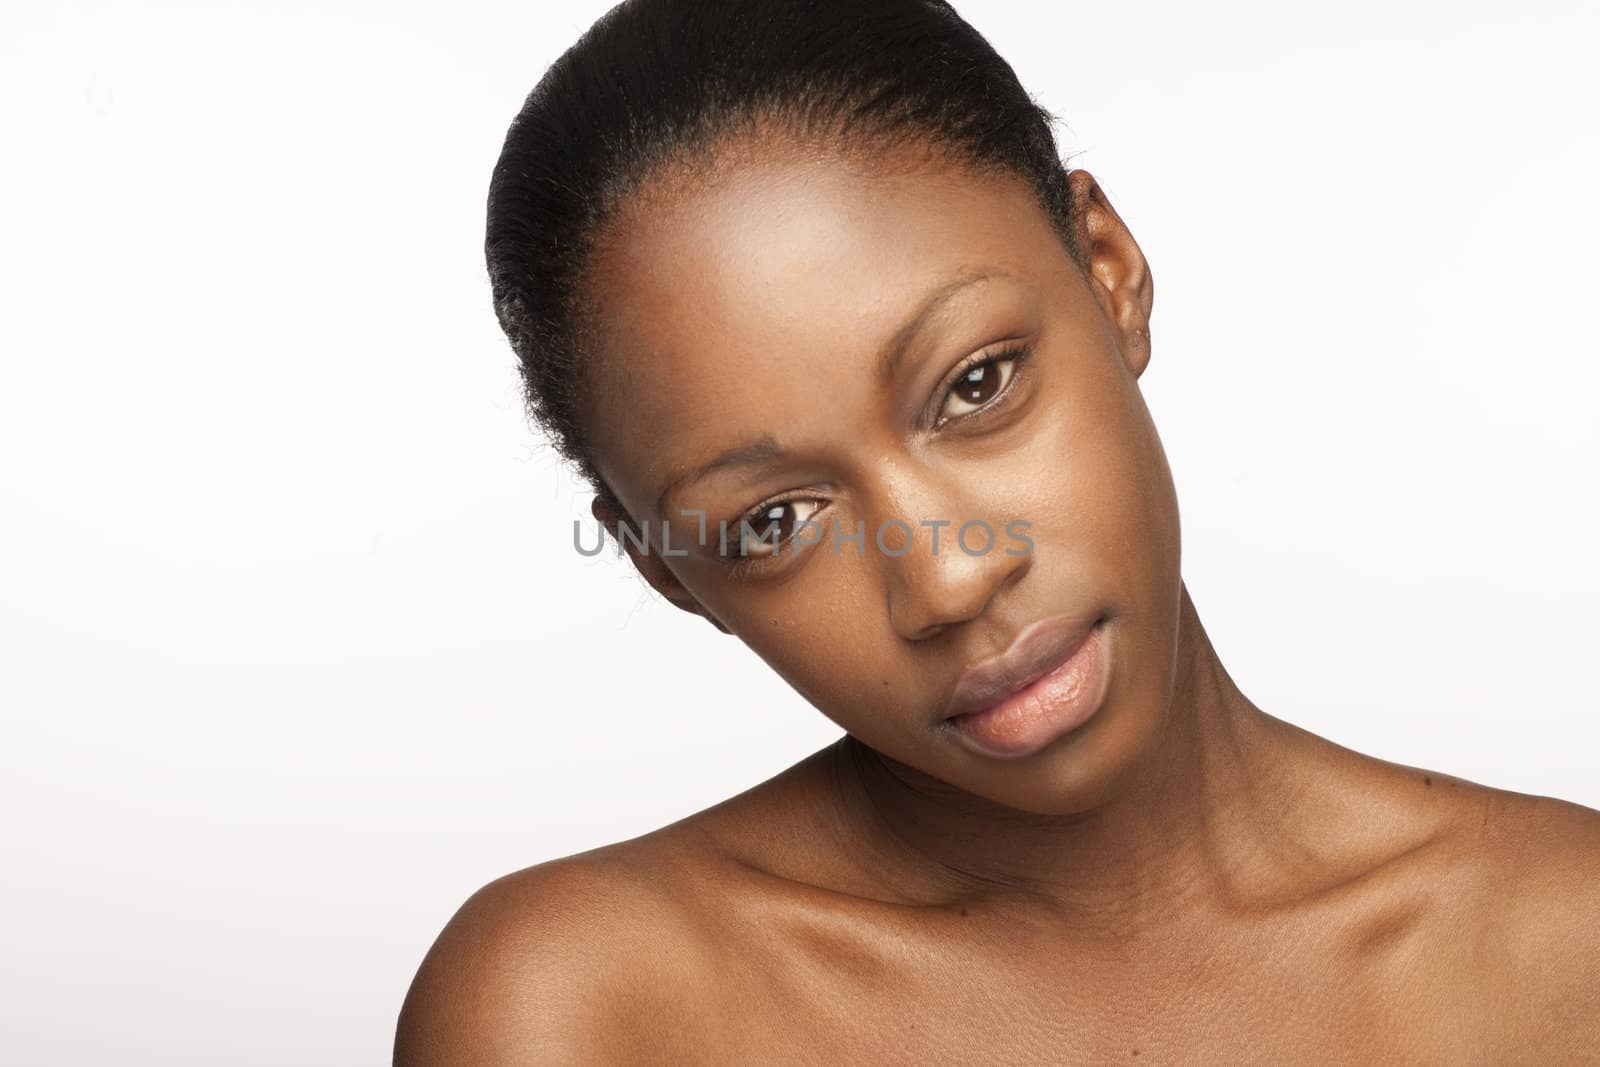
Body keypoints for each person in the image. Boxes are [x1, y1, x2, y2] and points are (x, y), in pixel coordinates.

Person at [394, 0, 1600, 1061]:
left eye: (975, 384)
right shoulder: (593, 1010)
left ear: (1107, 269)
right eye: (773, 519)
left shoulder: (1567, 947)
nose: (950, 580)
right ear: (667, 570)